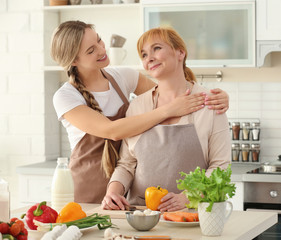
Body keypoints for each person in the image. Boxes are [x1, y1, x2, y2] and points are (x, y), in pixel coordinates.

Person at [51, 21, 229, 204]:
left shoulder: (123, 77)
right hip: (90, 186)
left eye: (99, 40)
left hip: (124, 193)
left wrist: (214, 97)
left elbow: (169, 90)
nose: (101, 50)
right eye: (91, 50)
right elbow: (112, 131)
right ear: (73, 61)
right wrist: (170, 109)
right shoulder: (65, 96)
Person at [102, 27, 231, 212]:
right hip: (142, 215)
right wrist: (113, 192)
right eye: (144, 54)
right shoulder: (138, 106)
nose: (149, 58)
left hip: (192, 215)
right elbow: (126, 165)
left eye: (156, 48)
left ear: (180, 52)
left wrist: (187, 197)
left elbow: (220, 167)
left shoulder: (209, 103)